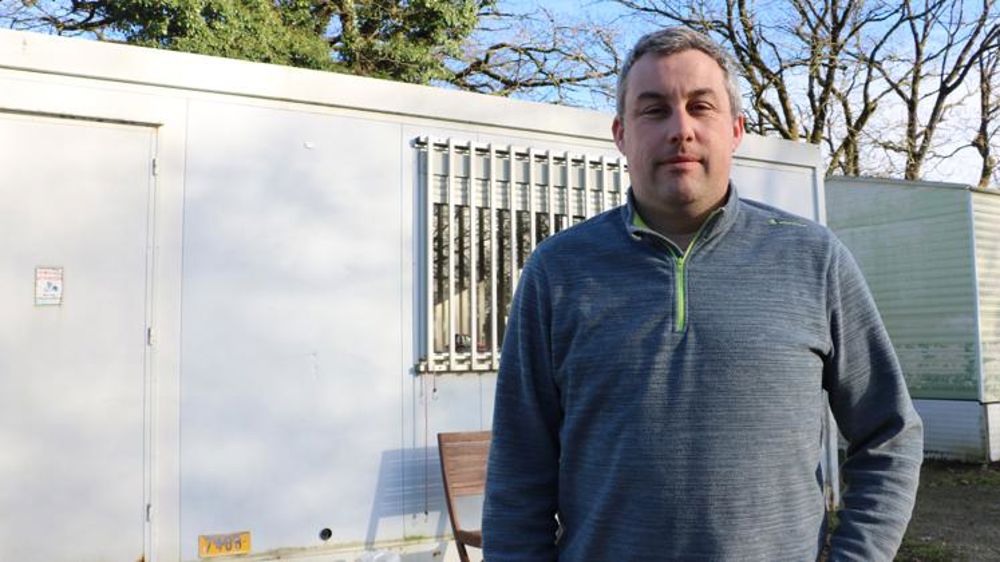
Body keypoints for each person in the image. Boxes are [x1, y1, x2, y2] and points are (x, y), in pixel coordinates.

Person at [482, 27, 923, 561]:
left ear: (735, 130)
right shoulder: (558, 272)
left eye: (700, 107)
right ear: (621, 134)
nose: (680, 130)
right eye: (655, 110)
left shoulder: (814, 259)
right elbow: (518, 468)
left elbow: (890, 434)